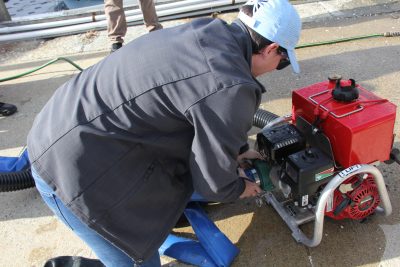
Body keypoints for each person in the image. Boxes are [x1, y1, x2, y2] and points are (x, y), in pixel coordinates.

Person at [27, 0, 302, 266]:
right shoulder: (231, 87)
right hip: (72, 176)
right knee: (139, 260)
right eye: (284, 61)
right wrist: (240, 187)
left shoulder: (206, 30)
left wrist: (240, 150)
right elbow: (212, 183)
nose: (279, 68)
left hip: (56, 126)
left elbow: (201, 104)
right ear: (271, 49)